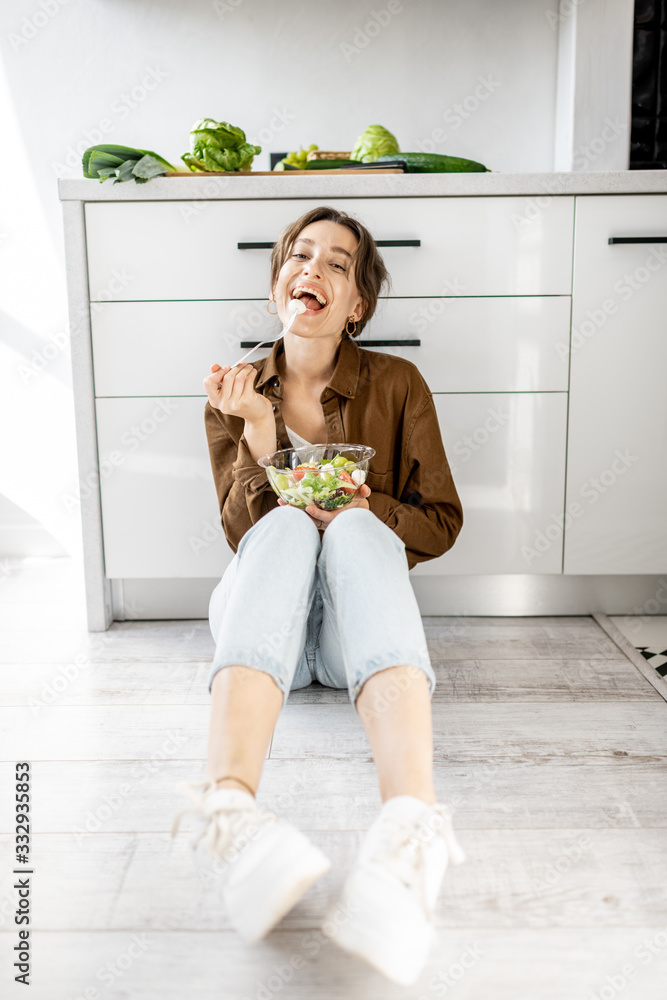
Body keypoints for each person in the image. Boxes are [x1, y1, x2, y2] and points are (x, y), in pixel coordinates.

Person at [171, 205, 466, 986]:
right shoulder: (237, 391)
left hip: (347, 641)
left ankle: (410, 834)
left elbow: (439, 521)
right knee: (289, 532)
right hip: (258, 619)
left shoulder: (398, 385)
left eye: (339, 263)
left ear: (357, 304)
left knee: (358, 535)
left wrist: (369, 509)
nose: (315, 269)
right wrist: (259, 430)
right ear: (277, 285)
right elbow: (245, 536)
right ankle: (229, 812)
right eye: (300, 256)